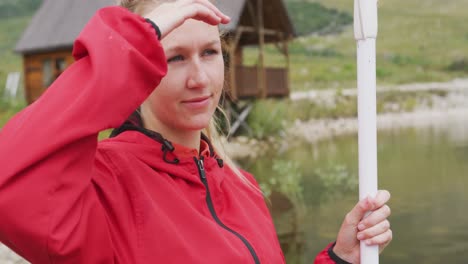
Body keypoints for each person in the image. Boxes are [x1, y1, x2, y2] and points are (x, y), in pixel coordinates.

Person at [0, 0, 392, 263]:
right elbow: (9, 183)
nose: (200, 79)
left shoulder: (243, 187)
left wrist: (340, 258)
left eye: (209, 52)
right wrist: (134, 41)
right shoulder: (104, 186)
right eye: (174, 58)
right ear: (140, 65)